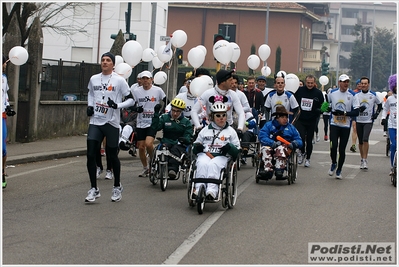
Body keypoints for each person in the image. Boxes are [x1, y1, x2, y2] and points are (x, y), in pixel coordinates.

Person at [85, 52, 134, 202]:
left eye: (108, 60)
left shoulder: (119, 81)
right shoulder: (94, 78)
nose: (105, 62)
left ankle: (117, 186)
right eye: (103, 60)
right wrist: (89, 106)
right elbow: (91, 94)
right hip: (95, 121)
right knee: (91, 155)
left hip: (111, 122)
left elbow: (131, 100)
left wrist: (117, 105)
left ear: (113, 64)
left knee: (112, 156)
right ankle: (94, 189)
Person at [192, 98, 240, 200]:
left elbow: (237, 150)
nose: (221, 118)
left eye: (224, 115)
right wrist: (198, 147)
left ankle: (212, 191)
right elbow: (195, 146)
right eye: (218, 116)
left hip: (222, 156)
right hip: (205, 154)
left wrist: (229, 147)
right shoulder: (205, 130)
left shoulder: (231, 131)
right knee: (202, 163)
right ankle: (199, 188)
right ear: (212, 117)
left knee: (214, 165)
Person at [326, 74, 363, 179]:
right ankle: (334, 163)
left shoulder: (352, 95)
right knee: (333, 147)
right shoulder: (332, 93)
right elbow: (327, 105)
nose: (346, 84)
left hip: (345, 126)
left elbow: (356, 112)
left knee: (342, 149)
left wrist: (344, 113)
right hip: (334, 124)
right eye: (344, 82)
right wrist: (327, 109)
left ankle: (339, 170)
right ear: (339, 82)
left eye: (347, 82)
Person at [131, 70, 167, 177]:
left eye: (147, 78)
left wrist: (161, 111)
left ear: (152, 79)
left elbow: (167, 101)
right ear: (140, 80)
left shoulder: (158, 90)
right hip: (141, 122)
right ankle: (145, 168)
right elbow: (130, 104)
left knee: (148, 144)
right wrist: (136, 109)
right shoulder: (136, 91)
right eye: (143, 79)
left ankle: (153, 161)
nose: (145, 81)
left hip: (153, 122)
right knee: (141, 147)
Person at [190, 69, 245, 136]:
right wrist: (198, 127)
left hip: (228, 129)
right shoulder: (208, 93)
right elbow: (194, 111)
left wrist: (240, 128)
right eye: (230, 80)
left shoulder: (233, 94)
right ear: (222, 82)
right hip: (210, 129)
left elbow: (241, 112)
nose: (233, 83)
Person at [151, 98, 193, 178]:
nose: (175, 113)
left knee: (175, 149)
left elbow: (189, 134)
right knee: (163, 149)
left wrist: (185, 139)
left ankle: (172, 170)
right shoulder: (164, 117)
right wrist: (156, 114)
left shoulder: (186, 122)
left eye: (178, 111)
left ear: (181, 112)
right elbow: (156, 127)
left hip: (179, 142)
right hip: (166, 140)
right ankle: (161, 170)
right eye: (173, 110)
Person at [257, 106, 303, 180]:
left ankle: (279, 170)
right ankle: (267, 170)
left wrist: (294, 144)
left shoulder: (291, 128)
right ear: (277, 117)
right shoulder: (268, 125)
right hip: (271, 145)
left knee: (281, 148)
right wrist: (272, 143)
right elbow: (262, 136)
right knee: (265, 149)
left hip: (285, 147)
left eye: (286, 117)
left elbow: (299, 140)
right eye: (283, 117)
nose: (285, 119)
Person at [293, 74, 324, 167]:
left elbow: (322, 106)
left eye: (311, 83)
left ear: (314, 83)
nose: (310, 85)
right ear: (305, 82)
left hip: (312, 120)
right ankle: (302, 153)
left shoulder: (318, 93)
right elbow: (294, 102)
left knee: (309, 140)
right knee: (301, 138)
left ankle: (308, 158)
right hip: (301, 119)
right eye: (308, 83)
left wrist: (320, 110)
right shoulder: (299, 90)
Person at [354, 76, 382, 170]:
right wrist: (358, 109)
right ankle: (362, 158)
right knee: (361, 140)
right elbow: (355, 107)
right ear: (360, 84)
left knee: (366, 139)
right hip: (359, 120)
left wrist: (376, 114)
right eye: (362, 84)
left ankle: (365, 159)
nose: (364, 85)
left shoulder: (373, 95)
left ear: (368, 84)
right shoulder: (357, 95)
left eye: (365, 84)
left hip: (368, 121)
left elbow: (380, 104)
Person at [2, 55, 16, 189]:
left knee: (3, 150)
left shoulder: (4, 79)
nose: (5, 65)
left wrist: (8, 106)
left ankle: (2, 171)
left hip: (1, 117)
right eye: (3, 63)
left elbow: (4, 95)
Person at [381, 74, 397, 174]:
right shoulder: (390, 99)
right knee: (394, 145)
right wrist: (383, 118)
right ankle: (392, 166)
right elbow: (385, 109)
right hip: (392, 126)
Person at [349, 79, 362, 152]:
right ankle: (353, 145)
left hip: (363, 115)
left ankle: (361, 143)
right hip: (355, 113)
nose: (360, 85)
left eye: (361, 84)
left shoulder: (366, 93)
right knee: (355, 128)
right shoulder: (353, 93)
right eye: (358, 84)